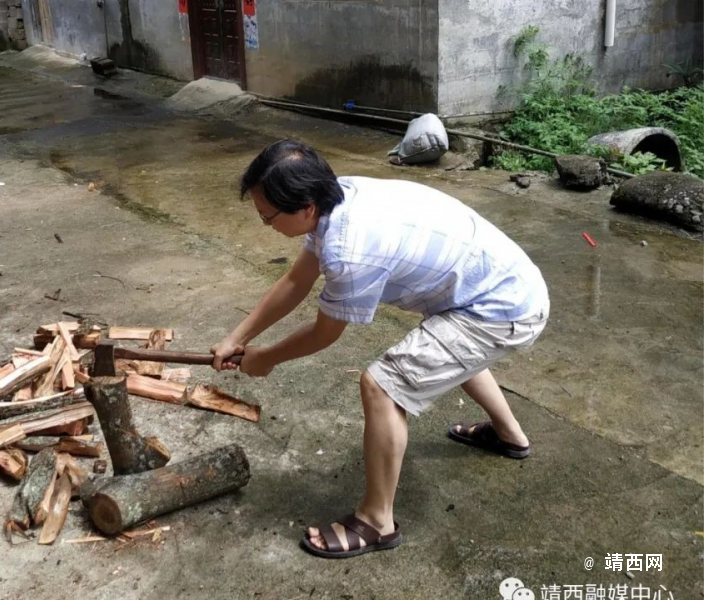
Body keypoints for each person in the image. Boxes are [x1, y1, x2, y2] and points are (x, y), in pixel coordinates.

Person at [210, 140, 549, 559]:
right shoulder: (340, 195)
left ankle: (376, 523)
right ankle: (509, 435)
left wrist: (267, 358)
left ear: (306, 207)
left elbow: (324, 333)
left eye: (268, 217)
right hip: (501, 287)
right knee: (446, 346)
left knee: (383, 386)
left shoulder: (350, 250)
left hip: (501, 309)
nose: (266, 225)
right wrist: (239, 337)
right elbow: (297, 280)